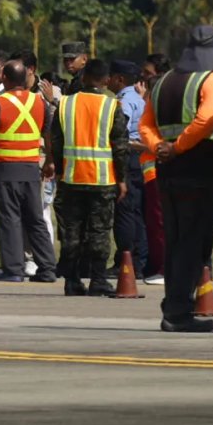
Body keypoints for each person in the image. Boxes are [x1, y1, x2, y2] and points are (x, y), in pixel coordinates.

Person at [139, 25, 213, 331]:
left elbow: (145, 124)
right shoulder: (212, 80)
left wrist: (160, 147)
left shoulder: (163, 81)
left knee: (176, 240)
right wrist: (177, 147)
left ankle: (173, 305)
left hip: (166, 170)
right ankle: (178, 312)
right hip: (198, 170)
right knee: (194, 242)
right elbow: (208, 119)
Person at [0, 59, 58, 283]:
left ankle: (13, 269)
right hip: (31, 168)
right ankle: (47, 268)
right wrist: (49, 160)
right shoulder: (39, 102)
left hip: (6, 169)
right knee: (35, 219)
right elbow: (48, 134)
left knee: (9, 220)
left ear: (5, 78)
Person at [49, 59, 129, 297]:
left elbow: (56, 141)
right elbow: (120, 147)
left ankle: (72, 280)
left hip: (71, 178)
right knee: (100, 230)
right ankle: (98, 279)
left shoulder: (65, 104)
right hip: (102, 180)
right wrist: (122, 178)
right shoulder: (112, 106)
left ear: (83, 78)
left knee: (71, 231)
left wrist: (60, 171)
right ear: (106, 80)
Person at [107, 59, 149, 280]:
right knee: (137, 212)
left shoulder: (124, 102)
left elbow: (120, 133)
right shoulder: (138, 99)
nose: (107, 80)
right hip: (139, 160)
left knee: (124, 212)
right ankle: (139, 261)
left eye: (111, 76)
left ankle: (124, 261)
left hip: (128, 158)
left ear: (119, 79)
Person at [139, 52, 171, 283]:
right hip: (151, 168)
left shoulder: (160, 97)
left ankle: (164, 268)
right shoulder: (154, 96)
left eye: (147, 73)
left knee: (159, 221)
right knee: (154, 221)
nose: (143, 76)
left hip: (156, 168)